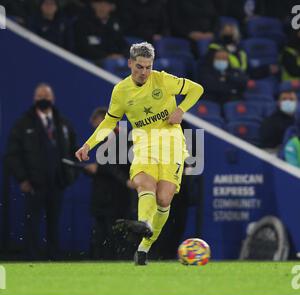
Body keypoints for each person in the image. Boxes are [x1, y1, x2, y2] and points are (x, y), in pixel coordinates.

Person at [75, 42, 204, 265]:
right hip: (144, 144)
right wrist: (88, 145)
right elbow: (110, 121)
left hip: (171, 143)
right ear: (130, 63)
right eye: (139, 67)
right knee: (145, 184)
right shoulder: (121, 91)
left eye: (148, 67)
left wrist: (181, 110)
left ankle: (144, 247)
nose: (144, 72)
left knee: (164, 198)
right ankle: (144, 222)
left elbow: (197, 89)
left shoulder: (163, 80)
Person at [5, 83, 78, 260]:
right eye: (40, 96)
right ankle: (32, 257)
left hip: (57, 182)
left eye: (46, 96)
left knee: (54, 223)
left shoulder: (63, 123)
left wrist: (70, 176)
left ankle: (53, 257)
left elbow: (73, 151)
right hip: (34, 183)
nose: (43, 99)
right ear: (34, 99)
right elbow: (13, 154)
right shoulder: (23, 124)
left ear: (53, 99)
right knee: (33, 223)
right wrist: (22, 179)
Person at [84, 107, 136, 259]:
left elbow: (113, 165)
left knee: (113, 232)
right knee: (105, 232)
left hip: (116, 196)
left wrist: (99, 168)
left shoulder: (121, 137)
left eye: (97, 124)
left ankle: (111, 259)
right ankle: (105, 260)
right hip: (109, 196)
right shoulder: (118, 137)